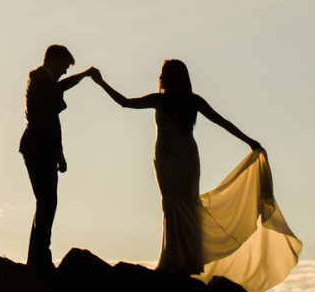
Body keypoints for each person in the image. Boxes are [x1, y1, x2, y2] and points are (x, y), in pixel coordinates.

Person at [89, 59, 261, 275]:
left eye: (164, 73)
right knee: (170, 205)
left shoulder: (193, 101)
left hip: (186, 159)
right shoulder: (158, 100)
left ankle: (187, 262)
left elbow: (222, 121)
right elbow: (124, 102)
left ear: (174, 77)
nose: (160, 77)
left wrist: (249, 141)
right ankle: (175, 259)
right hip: (165, 160)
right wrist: (101, 83)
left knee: (186, 206)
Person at [19, 44, 95, 271]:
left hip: (36, 147)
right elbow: (50, 120)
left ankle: (38, 255)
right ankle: (40, 257)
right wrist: (58, 152)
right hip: (39, 148)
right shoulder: (41, 79)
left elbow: (59, 87)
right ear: (56, 60)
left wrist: (83, 75)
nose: (65, 71)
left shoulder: (41, 79)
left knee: (45, 201)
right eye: (64, 66)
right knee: (47, 201)